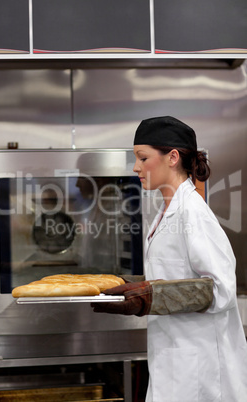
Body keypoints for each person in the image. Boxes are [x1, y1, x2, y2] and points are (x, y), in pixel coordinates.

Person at [91, 116, 247, 402]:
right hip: (174, 359)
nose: (136, 167)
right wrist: (128, 285)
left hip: (201, 371)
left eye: (142, 157)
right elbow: (175, 276)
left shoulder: (193, 214)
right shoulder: (166, 212)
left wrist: (150, 297)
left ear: (172, 157)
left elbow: (221, 289)